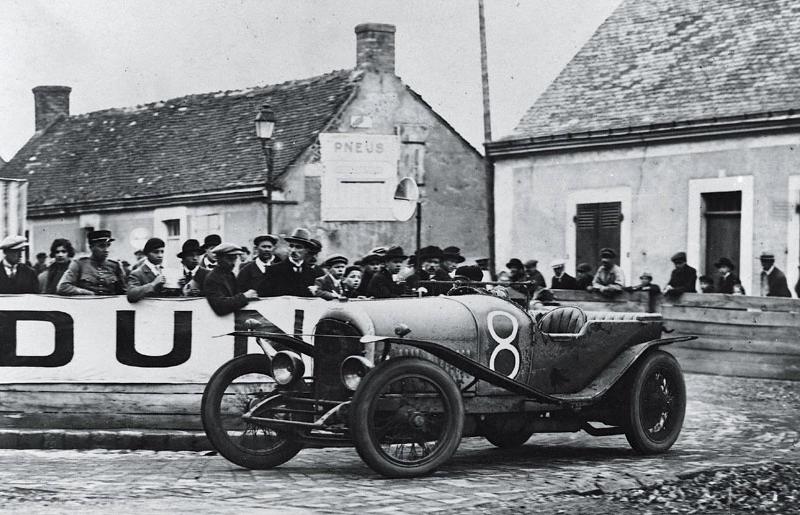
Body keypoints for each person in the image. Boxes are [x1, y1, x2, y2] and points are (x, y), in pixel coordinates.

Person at [58, 230, 126, 296]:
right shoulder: (79, 264)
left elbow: (123, 292)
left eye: (108, 245)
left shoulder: (115, 266)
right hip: (86, 304)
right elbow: (63, 287)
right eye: (101, 246)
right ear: (91, 247)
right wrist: (87, 293)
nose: (106, 250)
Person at [261, 228, 325, 297]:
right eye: (291, 246)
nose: (293, 250)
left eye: (298, 247)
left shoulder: (314, 273)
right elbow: (265, 296)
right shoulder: (273, 270)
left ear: (306, 250)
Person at [204, 243, 258, 315]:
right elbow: (220, 307)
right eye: (229, 258)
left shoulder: (230, 275)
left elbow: (234, 296)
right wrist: (244, 296)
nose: (233, 263)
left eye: (235, 258)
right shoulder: (212, 278)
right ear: (219, 258)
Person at [127, 238, 168, 302]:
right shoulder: (137, 273)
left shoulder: (164, 271)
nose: (160, 255)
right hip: (145, 310)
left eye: (162, 252)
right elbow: (131, 295)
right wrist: (153, 284)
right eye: (156, 252)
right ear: (147, 254)